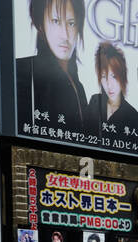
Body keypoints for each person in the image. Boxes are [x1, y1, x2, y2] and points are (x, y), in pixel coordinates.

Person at [15, 0, 87, 139]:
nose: (65, 36)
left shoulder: (79, 87)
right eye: (56, 21)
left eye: (71, 23)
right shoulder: (21, 71)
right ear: (40, 24)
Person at [86, 41, 138, 149]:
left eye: (113, 76)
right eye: (103, 77)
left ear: (122, 76)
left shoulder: (134, 118)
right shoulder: (95, 101)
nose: (109, 85)